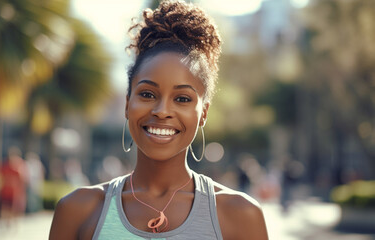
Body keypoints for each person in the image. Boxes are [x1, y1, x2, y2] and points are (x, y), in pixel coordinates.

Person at [49, 1, 268, 239]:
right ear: (127, 104)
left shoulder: (241, 216)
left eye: (182, 98)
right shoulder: (77, 211)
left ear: (203, 113)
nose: (162, 111)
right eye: (147, 94)